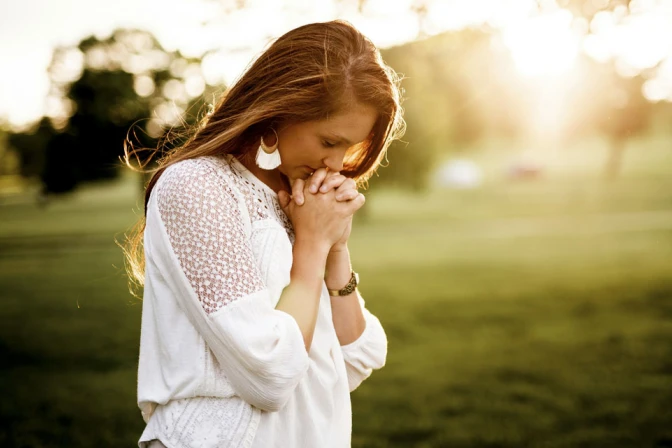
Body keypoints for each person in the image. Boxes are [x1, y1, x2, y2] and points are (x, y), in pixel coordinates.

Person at [123, 19, 405, 448]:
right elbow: (270, 374)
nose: (336, 165)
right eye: (329, 141)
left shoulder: (299, 199)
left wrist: (335, 247)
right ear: (279, 111)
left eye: (348, 148)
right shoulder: (198, 188)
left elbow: (355, 357)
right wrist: (312, 246)